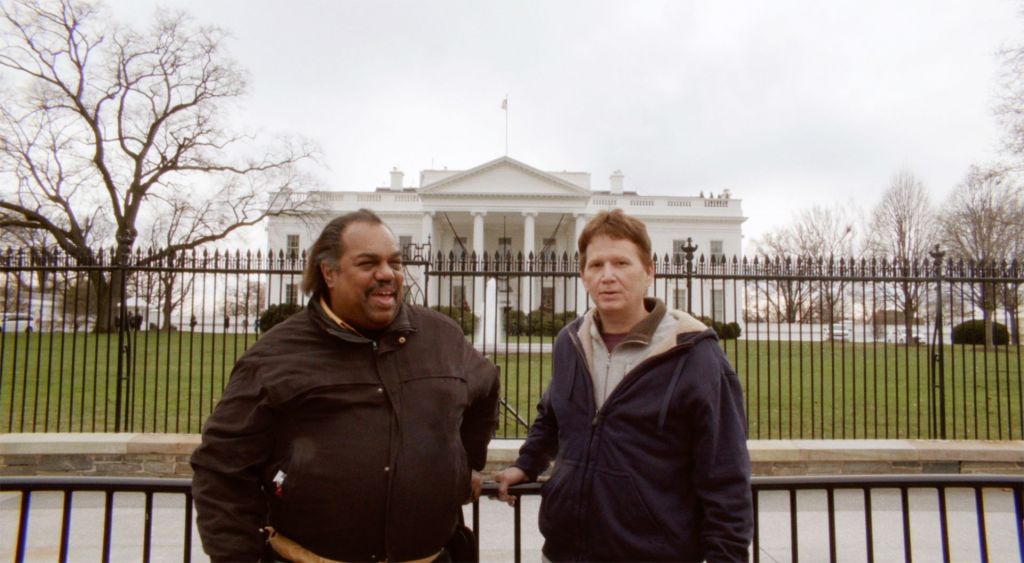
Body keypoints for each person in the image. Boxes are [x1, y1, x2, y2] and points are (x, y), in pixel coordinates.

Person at [191, 209, 500, 562]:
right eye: (368, 263)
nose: (387, 274)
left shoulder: (441, 337)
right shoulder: (276, 354)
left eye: (395, 263)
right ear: (330, 272)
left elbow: (486, 387)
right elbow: (222, 468)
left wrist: (464, 465)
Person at [494, 209, 753, 562]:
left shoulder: (694, 355)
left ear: (649, 272)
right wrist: (526, 464)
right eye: (596, 265)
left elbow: (726, 473)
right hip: (564, 552)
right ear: (583, 276)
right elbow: (553, 416)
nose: (608, 276)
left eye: (621, 263)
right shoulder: (569, 342)